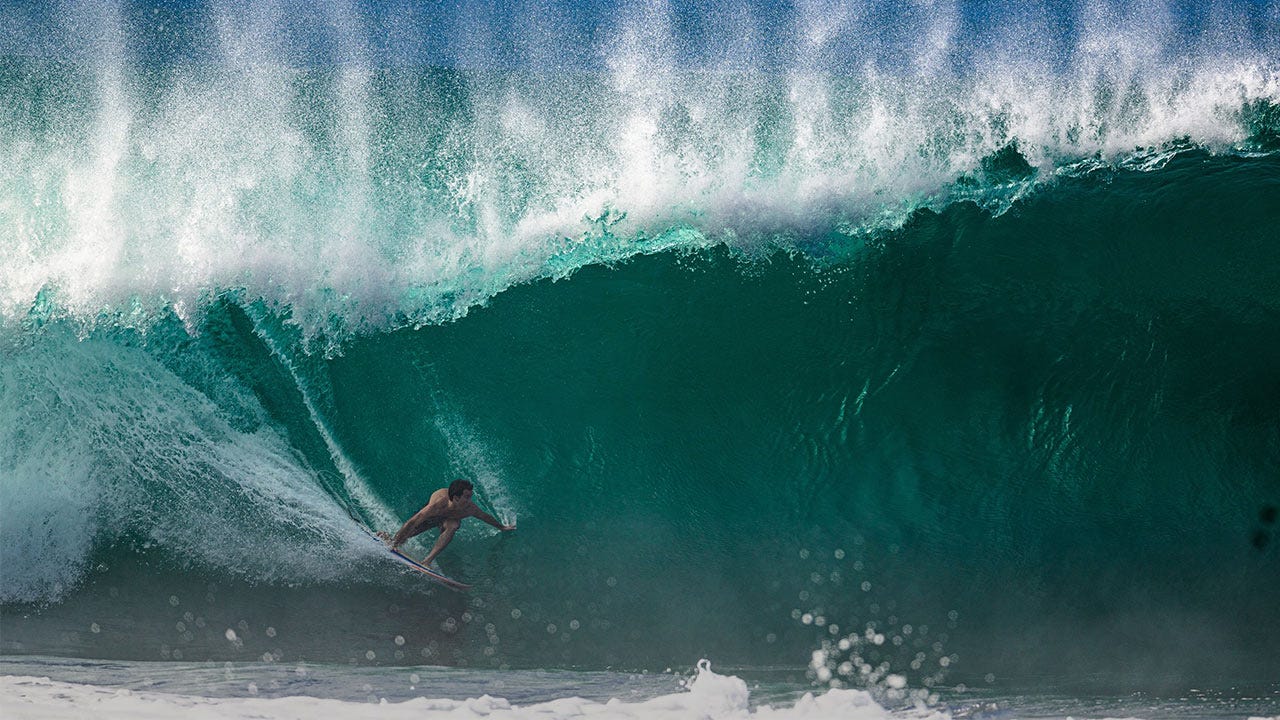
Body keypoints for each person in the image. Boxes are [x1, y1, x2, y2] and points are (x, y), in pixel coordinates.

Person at [380, 479, 515, 568]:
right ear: (456, 498)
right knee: (409, 534)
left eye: (470, 496)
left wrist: (502, 527)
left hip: (449, 519)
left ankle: (427, 561)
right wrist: (395, 544)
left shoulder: (469, 508)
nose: (470, 500)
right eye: (467, 497)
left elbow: (485, 517)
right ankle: (391, 539)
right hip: (434, 517)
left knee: (454, 526)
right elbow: (413, 521)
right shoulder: (438, 504)